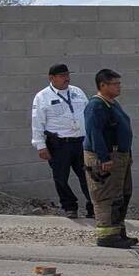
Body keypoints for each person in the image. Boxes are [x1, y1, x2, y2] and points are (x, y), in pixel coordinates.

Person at [31, 63, 93, 219]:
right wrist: (40, 146)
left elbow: (88, 115)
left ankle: (93, 207)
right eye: (62, 75)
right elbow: (37, 122)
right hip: (59, 144)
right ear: (51, 78)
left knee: (88, 176)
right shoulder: (42, 97)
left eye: (67, 75)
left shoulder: (77, 92)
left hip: (80, 142)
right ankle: (69, 206)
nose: (67, 78)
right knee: (61, 177)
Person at [83, 69, 135, 249]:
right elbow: (94, 132)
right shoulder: (96, 106)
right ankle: (107, 236)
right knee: (107, 197)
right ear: (102, 85)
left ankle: (118, 232)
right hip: (106, 157)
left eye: (119, 83)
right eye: (115, 84)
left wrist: (128, 154)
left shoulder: (112, 104)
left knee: (122, 195)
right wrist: (104, 158)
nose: (118, 87)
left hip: (120, 156)